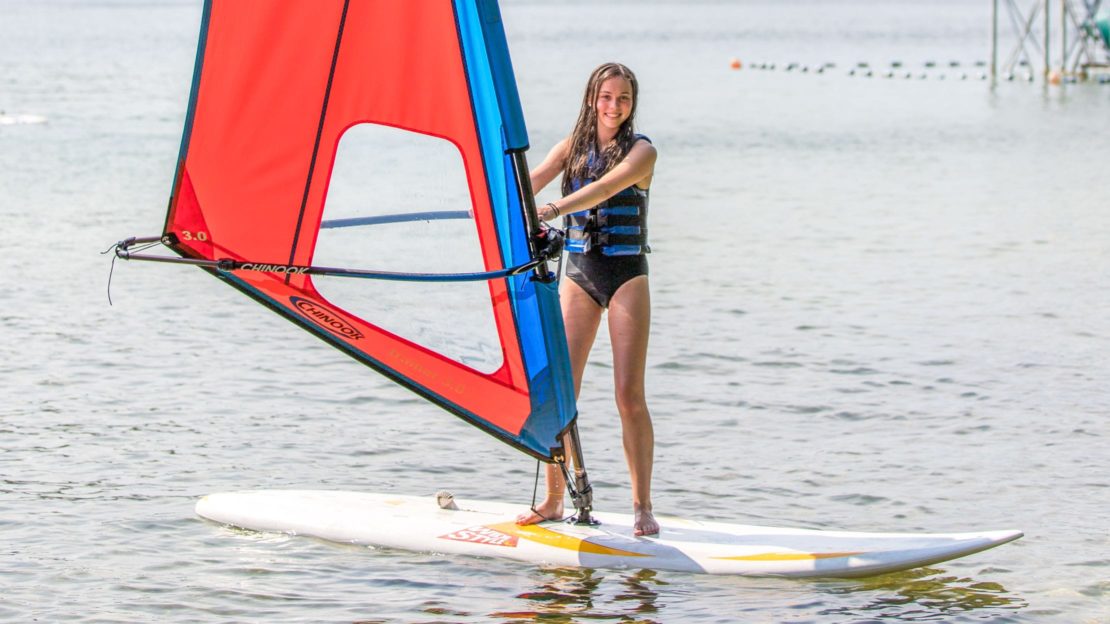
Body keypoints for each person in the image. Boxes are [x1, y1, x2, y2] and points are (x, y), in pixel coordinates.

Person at [516, 62, 659, 536]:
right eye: (606, 97)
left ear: (632, 103)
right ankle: (555, 499)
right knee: (561, 393)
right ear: (592, 99)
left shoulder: (642, 153)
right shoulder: (571, 148)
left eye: (623, 98)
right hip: (579, 275)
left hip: (624, 276)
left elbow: (604, 188)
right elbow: (526, 185)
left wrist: (553, 209)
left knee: (627, 395)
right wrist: (500, 201)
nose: (614, 106)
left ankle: (642, 507)